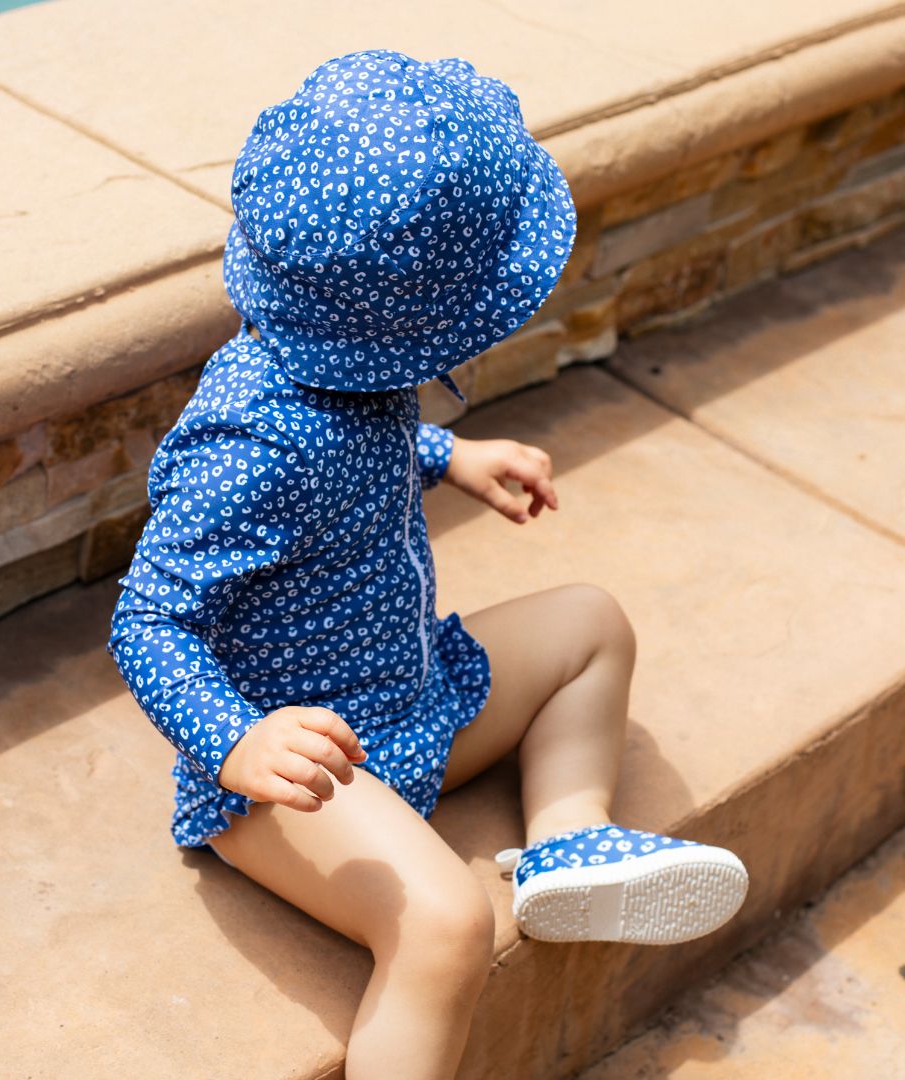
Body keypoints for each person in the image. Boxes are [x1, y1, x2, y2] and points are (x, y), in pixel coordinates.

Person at [106, 49, 749, 1079]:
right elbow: (148, 619)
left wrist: (453, 456)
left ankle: (567, 838)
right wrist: (237, 742)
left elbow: (362, 439)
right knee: (447, 927)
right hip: (304, 775)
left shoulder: (342, 361)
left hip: (413, 695)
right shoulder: (254, 445)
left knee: (590, 620)